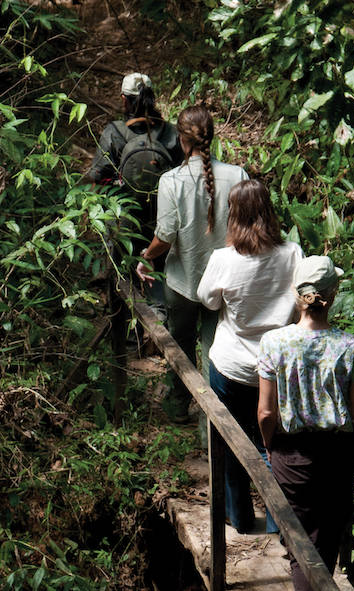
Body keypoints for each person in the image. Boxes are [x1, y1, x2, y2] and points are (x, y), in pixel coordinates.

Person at [257, 256, 354, 591]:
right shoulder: (353, 346)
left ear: (297, 294)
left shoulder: (274, 343)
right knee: (322, 545)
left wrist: (270, 446)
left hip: (291, 455)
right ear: (333, 295)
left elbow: (266, 413)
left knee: (300, 545)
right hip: (338, 456)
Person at [196, 179, 302, 534]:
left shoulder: (223, 259)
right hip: (277, 368)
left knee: (231, 443)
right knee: (273, 446)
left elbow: (207, 300)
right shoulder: (292, 254)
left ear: (233, 214)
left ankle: (239, 519)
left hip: (230, 365)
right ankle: (277, 525)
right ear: (269, 211)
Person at [136, 105, 249, 422]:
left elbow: (165, 238)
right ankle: (216, 421)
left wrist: (145, 258)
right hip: (226, 285)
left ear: (181, 139)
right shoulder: (238, 175)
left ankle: (176, 406)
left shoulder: (171, 180)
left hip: (183, 283)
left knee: (181, 347)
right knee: (217, 351)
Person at [84, 72, 182, 232]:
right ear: (152, 98)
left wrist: (90, 215)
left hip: (122, 220)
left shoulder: (114, 132)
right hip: (162, 219)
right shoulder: (171, 132)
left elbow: (100, 178)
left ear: (124, 99)